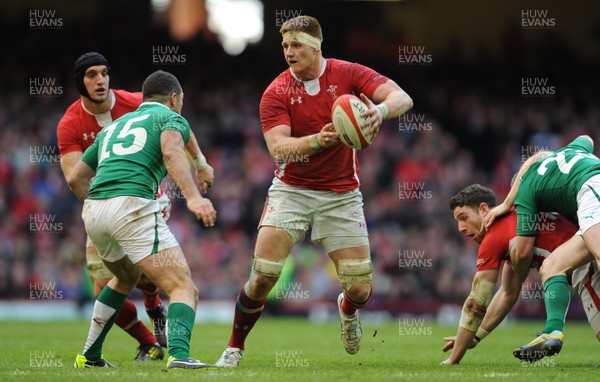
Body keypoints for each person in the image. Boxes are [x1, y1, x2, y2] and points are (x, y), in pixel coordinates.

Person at [214, 15, 413, 368]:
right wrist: (316, 142)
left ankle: (347, 310)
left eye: (296, 46)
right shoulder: (276, 92)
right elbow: (278, 149)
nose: (289, 52)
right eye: (285, 46)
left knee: (360, 290)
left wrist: (378, 112)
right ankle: (234, 347)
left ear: (316, 46)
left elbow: (403, 98)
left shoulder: (348, 73)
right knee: (262, 277)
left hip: (341, 194)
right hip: (292, 190)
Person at [68, 69, 217, 369]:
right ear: (174, 99)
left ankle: (90, 356)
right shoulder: (170, 118)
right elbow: (173, 153)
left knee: (125, 277)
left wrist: (102, 204)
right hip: (132, 205)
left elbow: (75, 179)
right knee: (182, 287)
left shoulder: (114, 126)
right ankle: (178, 354)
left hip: (95, 210)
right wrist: (194, 197)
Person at [57, 52, 168, 360]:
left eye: (104, 73)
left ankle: (153, 302)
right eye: (92, 74)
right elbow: (73, 177)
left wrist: (197, 162)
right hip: (101, 206)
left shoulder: (134, 102)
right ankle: (150, 342)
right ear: (80, 81)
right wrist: (105, 206)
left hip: (144, 199)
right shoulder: (69, 124)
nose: (100, 80)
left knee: (146, 274)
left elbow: (174, 124)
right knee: (102, 288)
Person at [440, 184, 600, 364]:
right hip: (586, 252)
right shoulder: (516, 224)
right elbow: (508, 293)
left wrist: (454, 358)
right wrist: (474, 337)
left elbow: (477, 301)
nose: (460, 228)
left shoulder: (494, 236)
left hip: (587, 265)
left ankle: (553, 332)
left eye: (464, 217)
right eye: (457, 221)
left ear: (484, 209)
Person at [484, 135, 600, 362]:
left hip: (593, 190)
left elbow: (522, 253)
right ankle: (552, 332)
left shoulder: (527, 192)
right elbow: (586, 138)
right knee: (552, 267)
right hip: (591, 187)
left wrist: (513, 261)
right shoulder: (569, 152)